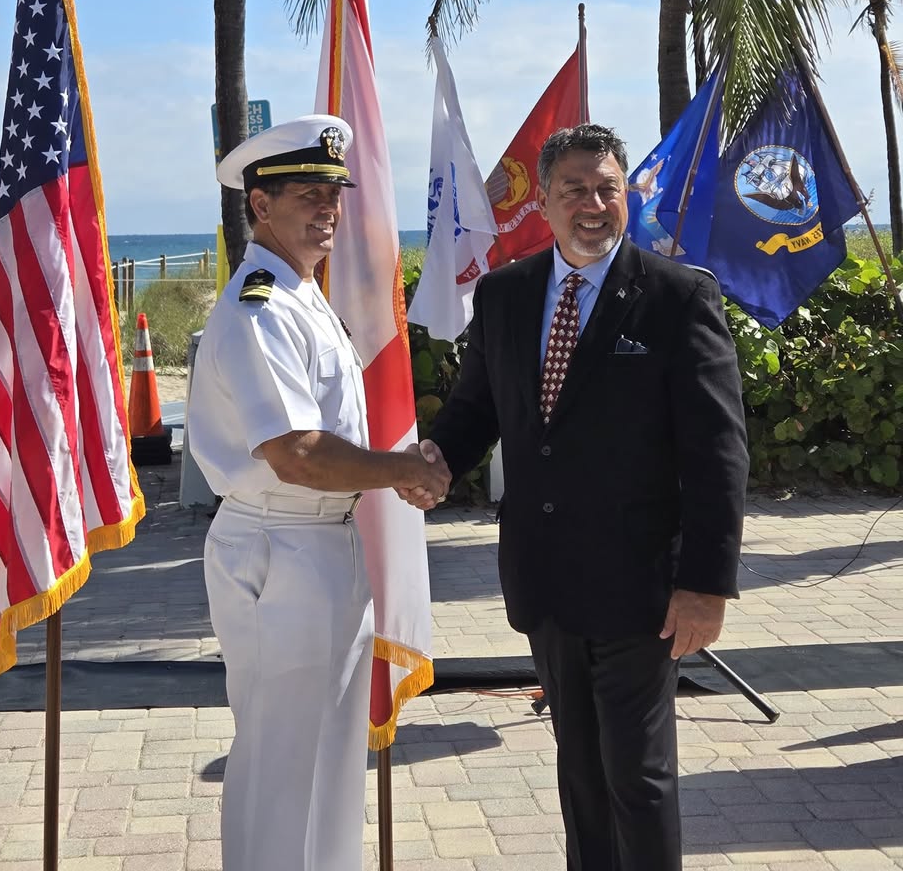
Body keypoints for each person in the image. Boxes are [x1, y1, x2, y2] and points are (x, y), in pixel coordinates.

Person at [407, 123, 749, 871]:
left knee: (638, 774)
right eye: (575, 190)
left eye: (608, 189)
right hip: (547, 581)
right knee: (581, 771)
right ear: (547, 205)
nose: (594, 204)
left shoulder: (678, 298)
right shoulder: (503, 295)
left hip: (643, 589)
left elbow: (719, 454)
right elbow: (477, 412)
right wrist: (432, 461)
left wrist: (704, 584)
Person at [187, 114, 450, 871]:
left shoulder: (304, 297)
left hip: (323, 543)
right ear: (260, 205)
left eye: (334, 192)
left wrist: (397, 462)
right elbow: (297, 454)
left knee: (332, 758)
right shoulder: (258, 309)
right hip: (280, 542)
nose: (329, 208)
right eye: (308, 193)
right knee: (281, 761)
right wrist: (401, 470)